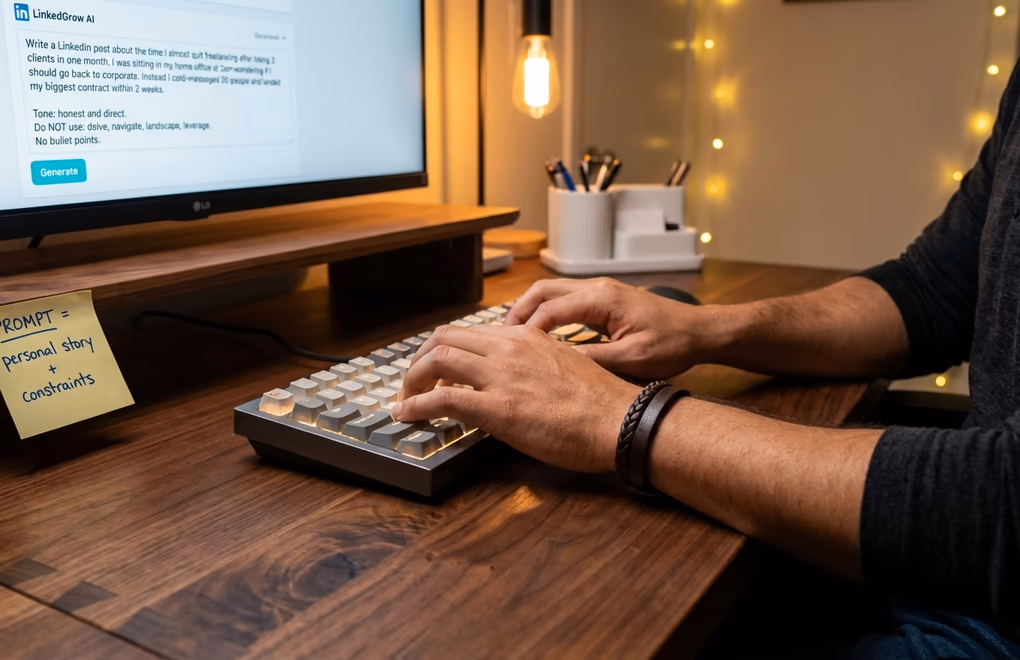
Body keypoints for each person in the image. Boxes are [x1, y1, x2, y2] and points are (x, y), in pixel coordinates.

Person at [393, 65, 1020, 660]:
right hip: (943, 566)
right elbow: (931, 291)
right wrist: (704, 328)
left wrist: (616, 417)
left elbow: (1005, 508)